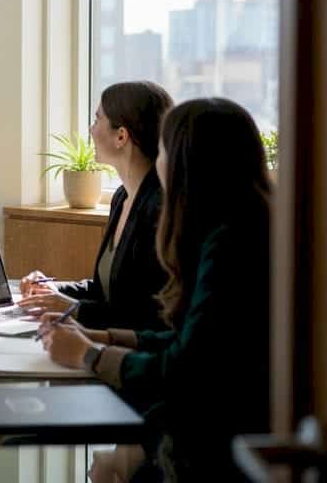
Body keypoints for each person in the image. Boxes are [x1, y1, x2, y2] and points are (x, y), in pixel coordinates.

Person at [40, 98, 272, 481]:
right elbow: (187, 343)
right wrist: (101, 337)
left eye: (163, 150)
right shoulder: (240, 223)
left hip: (215, 449)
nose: (157, 160)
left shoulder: (231, 243)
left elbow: (187, 370)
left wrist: (91, 355)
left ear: (187, 162)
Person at [19, 81, 174, 331]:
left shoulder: (161, 207)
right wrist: (52, 290)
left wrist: (70, 308)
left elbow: (148, 314)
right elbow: (105, 290)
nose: (90, 130)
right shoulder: (123, 196)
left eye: (96, 120)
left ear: (121, 136)